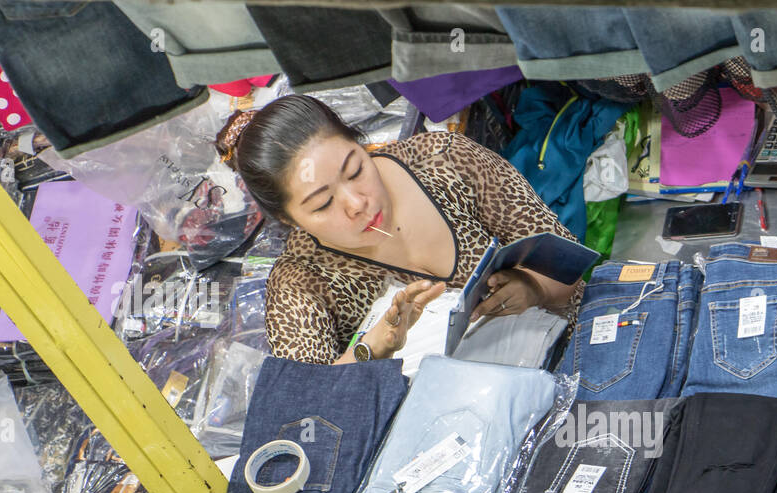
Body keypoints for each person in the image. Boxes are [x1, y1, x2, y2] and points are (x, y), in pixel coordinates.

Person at [215, 94, 584, 365]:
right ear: (290, 220)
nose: (356, 203)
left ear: (362, 144)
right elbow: (312, 405)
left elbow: (570, 267)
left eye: (356, 169)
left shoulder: (446, 160)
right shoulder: (300, 282)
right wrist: (370, 350)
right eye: (323, 204)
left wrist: (533, 287)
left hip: (572, 353)